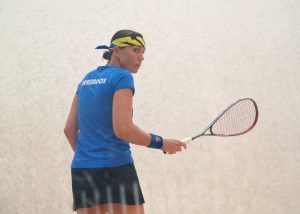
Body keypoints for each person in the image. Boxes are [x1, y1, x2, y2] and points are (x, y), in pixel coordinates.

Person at [64, 29, 187, 214]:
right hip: (116, 168)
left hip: (83, 169)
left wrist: (91, 157)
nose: (142, 57)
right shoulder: (122, 77)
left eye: (143, 52)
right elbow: (123, 129)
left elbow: (69, 130)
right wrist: (161, 143)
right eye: (136, 50)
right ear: (116, 51)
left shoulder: (86, 79)